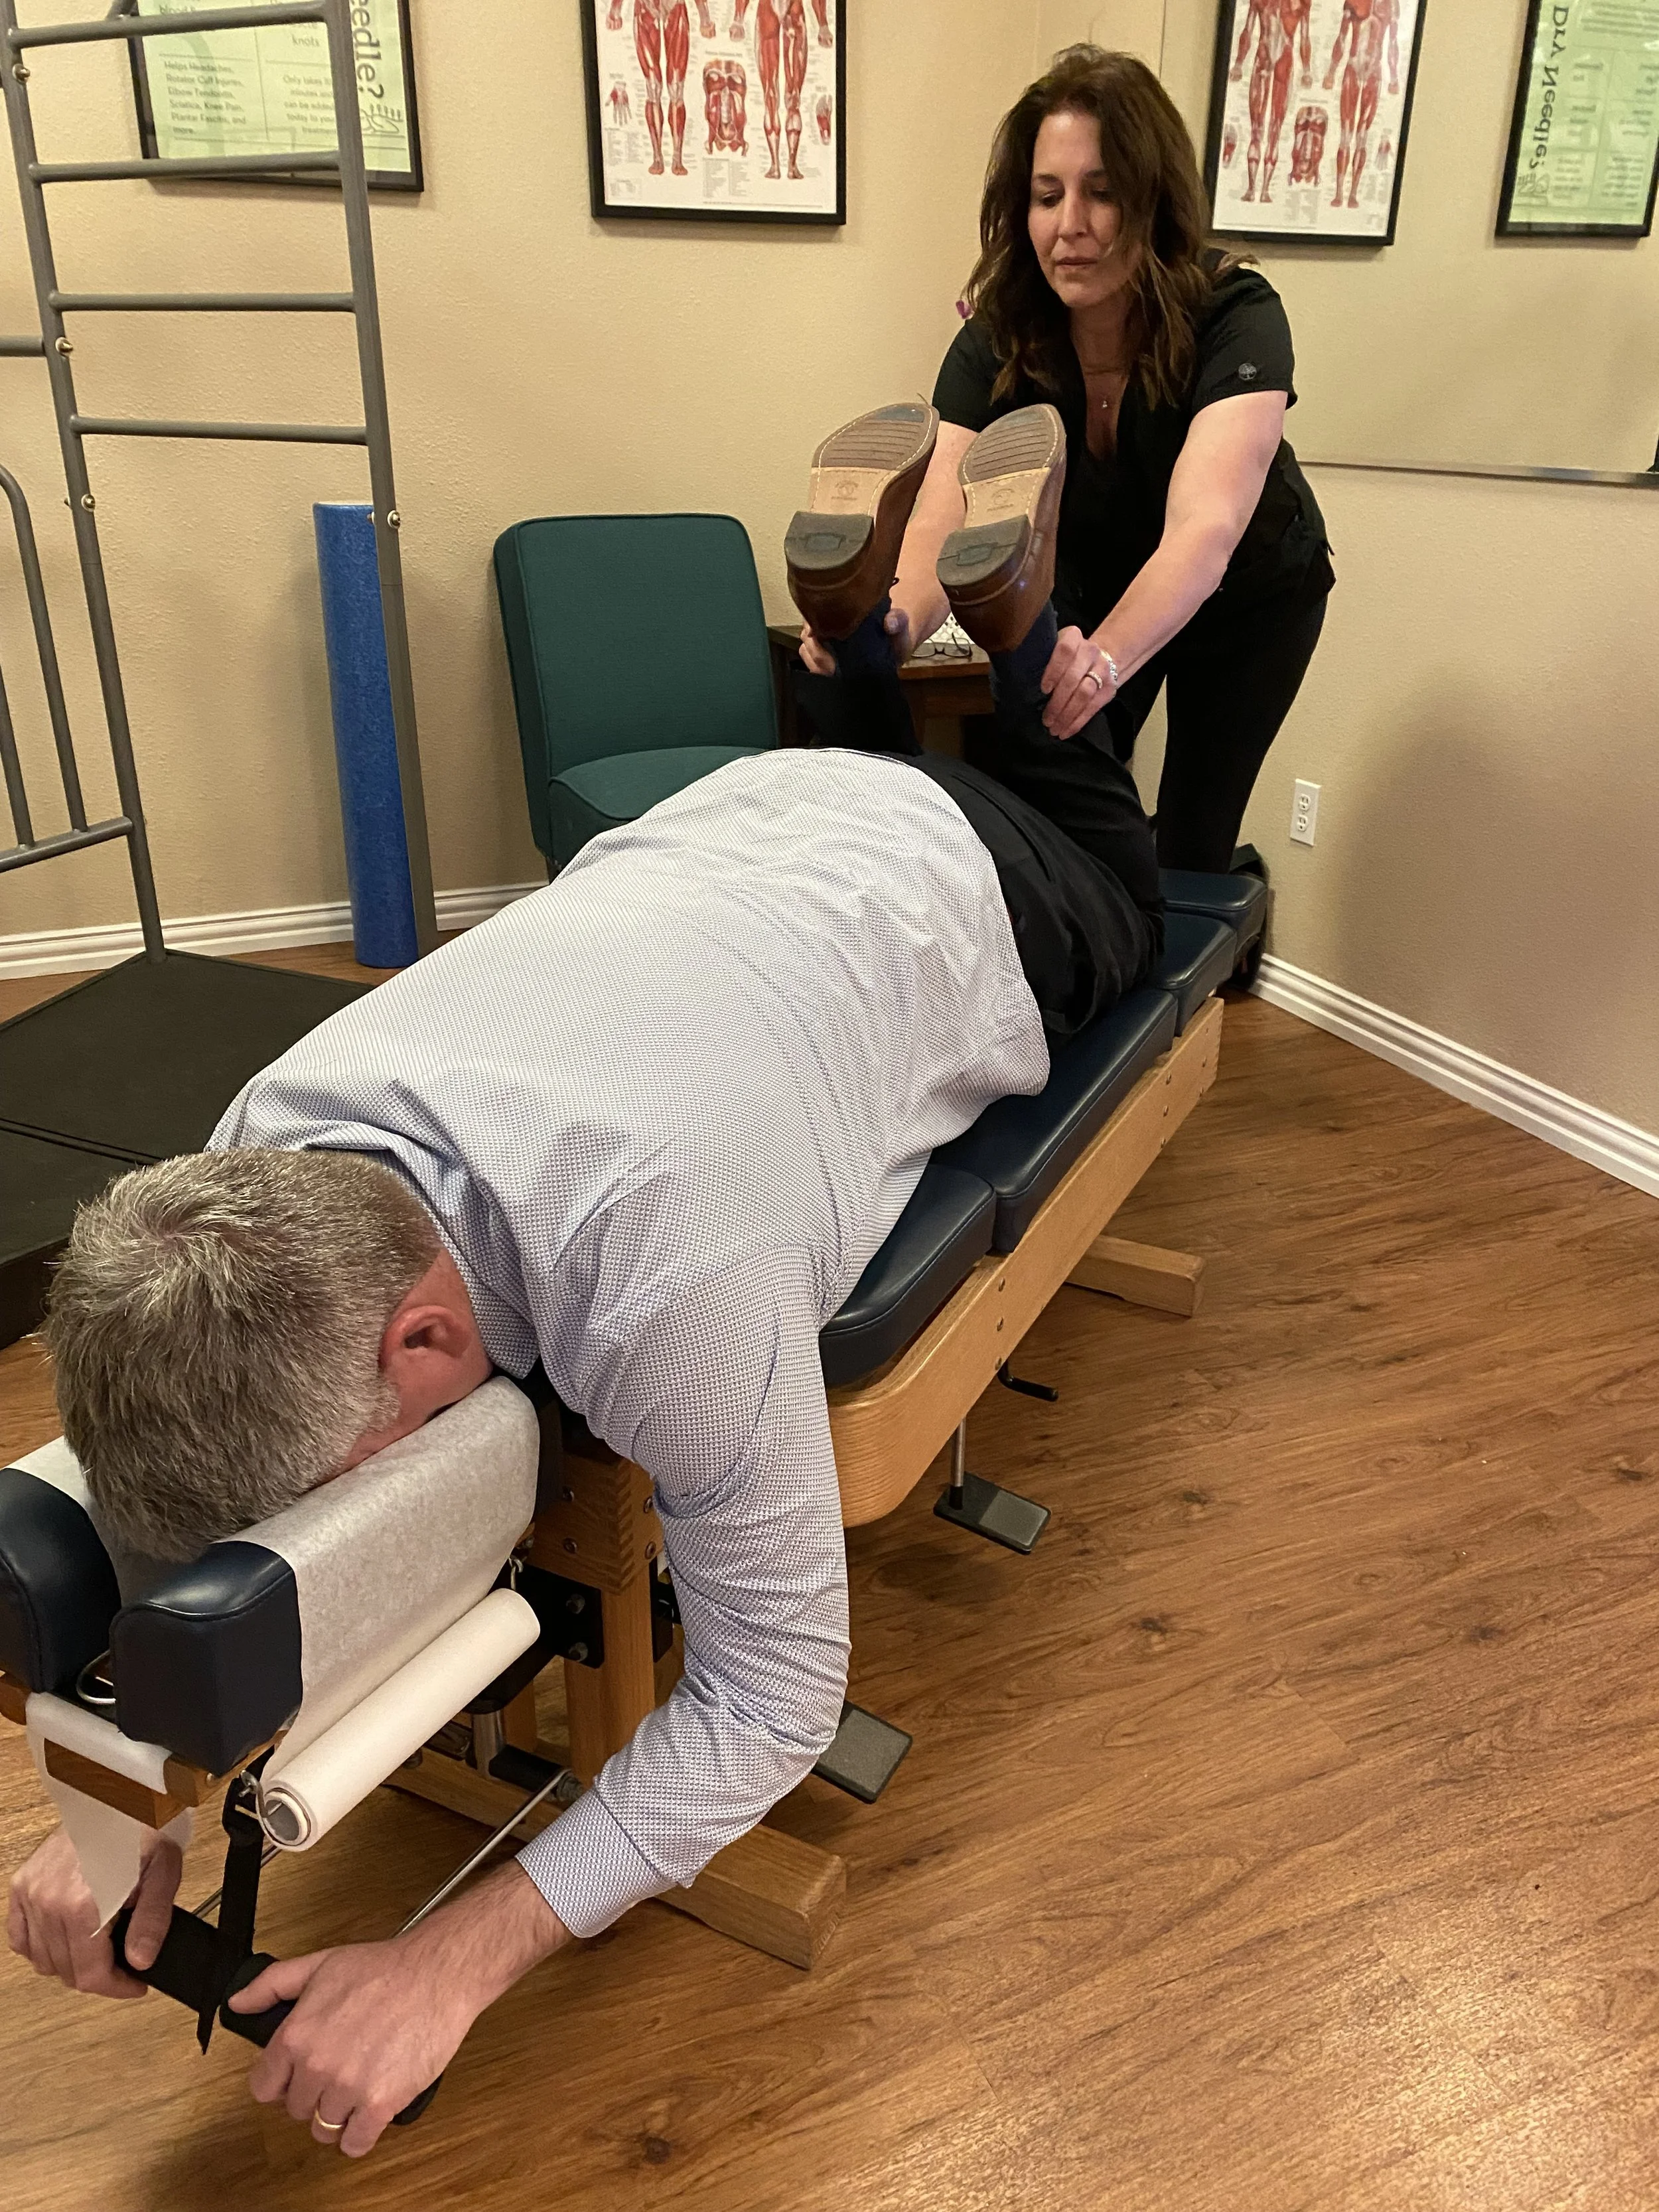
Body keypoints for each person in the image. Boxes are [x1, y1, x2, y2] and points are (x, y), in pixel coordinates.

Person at [7, 741, 1156, 2157]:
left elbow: (776, 1697)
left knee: (1130, 857)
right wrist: (127, 1794)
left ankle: (1043, 683)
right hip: (741, 817)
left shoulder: (663, 1267)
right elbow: (191, 1518)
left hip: (984, 890)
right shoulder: (245, 1166)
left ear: (424, 1341)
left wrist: (452, 1957)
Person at [792, 44, 1334, 875]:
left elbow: (1206, 527)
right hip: (1096, 571)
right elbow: (941, 514)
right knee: (1056, 794)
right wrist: (894, 623)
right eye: (1047, 196)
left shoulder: (1235, 312)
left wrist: (1107, 659)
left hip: (1248, 599)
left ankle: (1200, 934)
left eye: (1102, 192)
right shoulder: (1001, 334)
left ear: (1152, 200)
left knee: (1192, 834)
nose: (1068, 224)